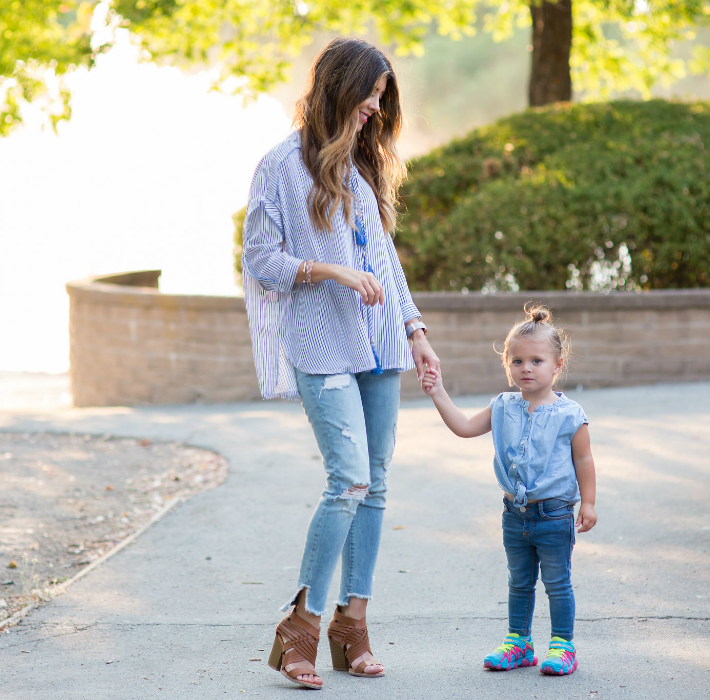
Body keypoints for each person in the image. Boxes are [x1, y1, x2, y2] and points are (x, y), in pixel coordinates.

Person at [241, 37, 440, 690]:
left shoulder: (365, 161)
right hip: (323, 347)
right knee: (349, 479)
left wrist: (415, 329)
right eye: (369, 93)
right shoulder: (280, 165)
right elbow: (260, 259)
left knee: (377, 484)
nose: (376, 108)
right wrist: (331, 272)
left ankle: (352, 626)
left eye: (384, 96)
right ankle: (298, 626)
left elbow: (384, 258)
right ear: (337, 87)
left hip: (381, 345)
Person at [421, 304, 597, 677]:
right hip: (514, 515)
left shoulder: (570, 414)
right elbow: (465, 427)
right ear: (507, 366)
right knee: (519, 581)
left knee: (557, 583)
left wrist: (589, 502)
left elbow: (584, 460)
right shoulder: (502, 406)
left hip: (554, 514)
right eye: (517, 361)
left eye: (536, 360)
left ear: (557, 365)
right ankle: (518, 643)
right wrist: (438, 392)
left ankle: (563, 646)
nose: (526, 368)